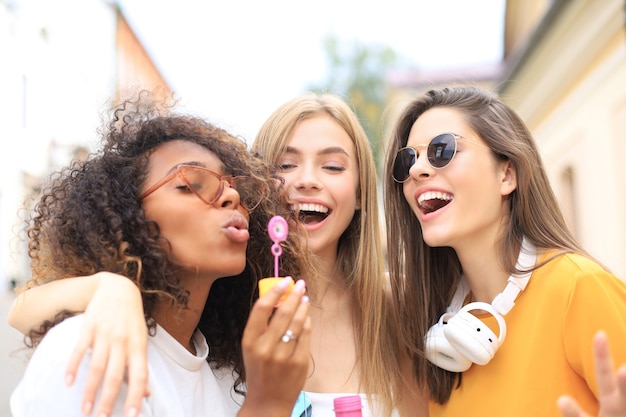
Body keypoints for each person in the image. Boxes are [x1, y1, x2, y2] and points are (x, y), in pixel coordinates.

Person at [9, 93, 426, 417]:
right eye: (284, 165)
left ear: (360, 197)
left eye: (333, 167)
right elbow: (24, 310)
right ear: (261, 189)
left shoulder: (397, 308)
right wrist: (111, 289)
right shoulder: (216, 309)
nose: (307, 181)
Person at [382, 85, 626, 417]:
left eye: (442, 149)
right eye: (407, 159)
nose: (415, 170)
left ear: (506, 174)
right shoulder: (442, 334)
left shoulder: (578, 287)